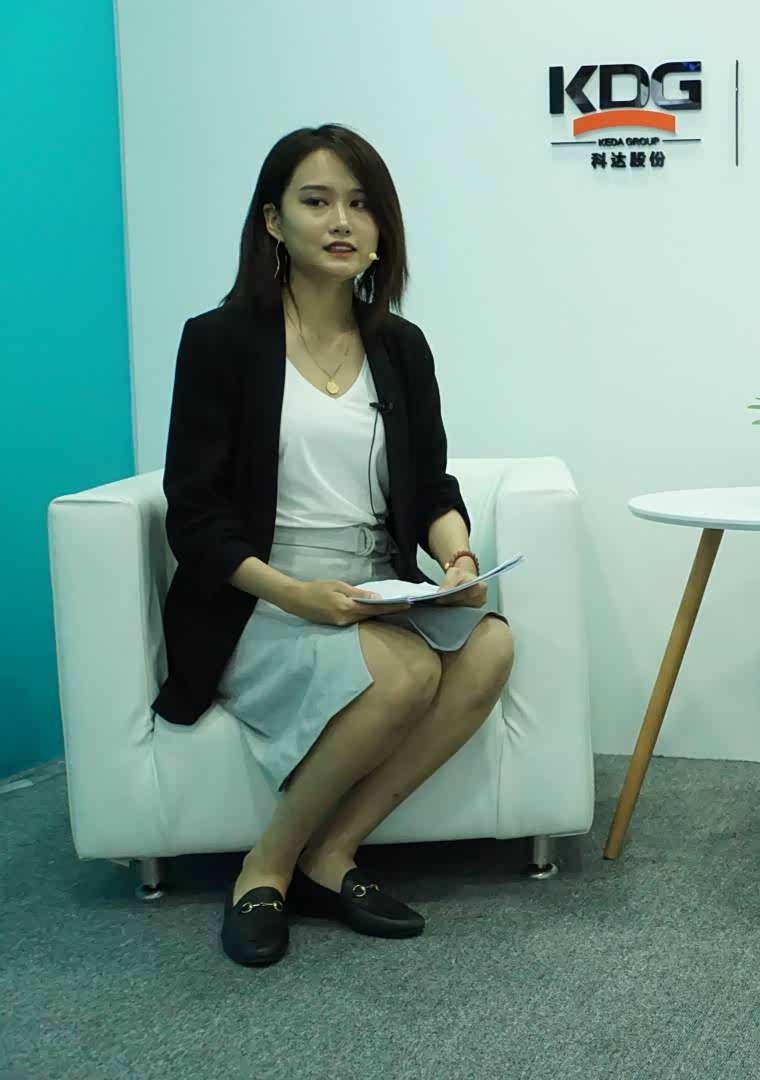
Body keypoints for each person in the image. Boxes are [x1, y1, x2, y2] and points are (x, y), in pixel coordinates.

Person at [153, 124, 515, 967]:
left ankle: (333, 852)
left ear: (382, 227)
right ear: (272, 221)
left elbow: (431, 489)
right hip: (262, 597)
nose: (341, 221)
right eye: (316, 202)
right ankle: (265, 867)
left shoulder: (400, 346)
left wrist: (457, 558)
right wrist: (296, 595)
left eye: (360, 204)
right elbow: (194, 515)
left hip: (375, 588)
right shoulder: (220, 341)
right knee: (408, 671)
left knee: (491, 645)